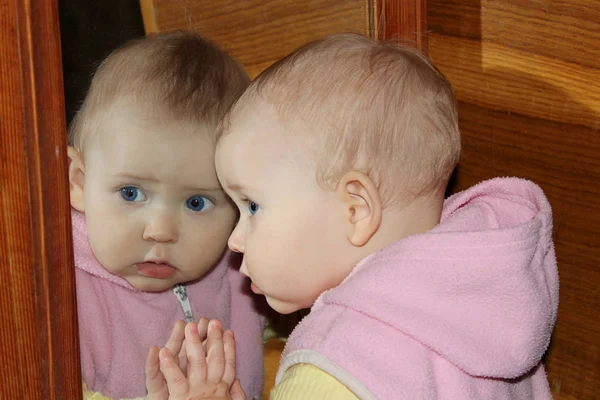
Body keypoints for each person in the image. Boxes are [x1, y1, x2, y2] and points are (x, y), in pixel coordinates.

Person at [155, 33, 559, 399]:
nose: (235, 239)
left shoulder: (338, 367)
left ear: (357, 210)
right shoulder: (487, 314)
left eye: (253, 207)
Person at [67, 30, 264, 400]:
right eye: (131, 193)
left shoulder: (240, 270)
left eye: (196, 203)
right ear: (80, 182)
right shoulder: (54, 286)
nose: (160, 231)